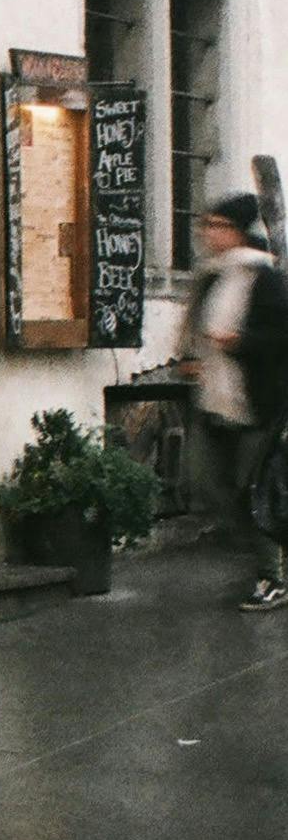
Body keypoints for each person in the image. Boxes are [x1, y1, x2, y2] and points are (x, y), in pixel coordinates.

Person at [177, 190, 288, 613]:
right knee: (206, 480)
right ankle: (261, 558)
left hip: (256, 402)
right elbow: (199, 332)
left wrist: (240, 343)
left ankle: (270, 576)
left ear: (238, 232)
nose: (208, 234)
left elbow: (280, 337)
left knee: (251, 486)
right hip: (213, 397)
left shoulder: (265, 278)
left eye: (218, 226)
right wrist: (193, 359)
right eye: (207, 226)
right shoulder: (212, 277)